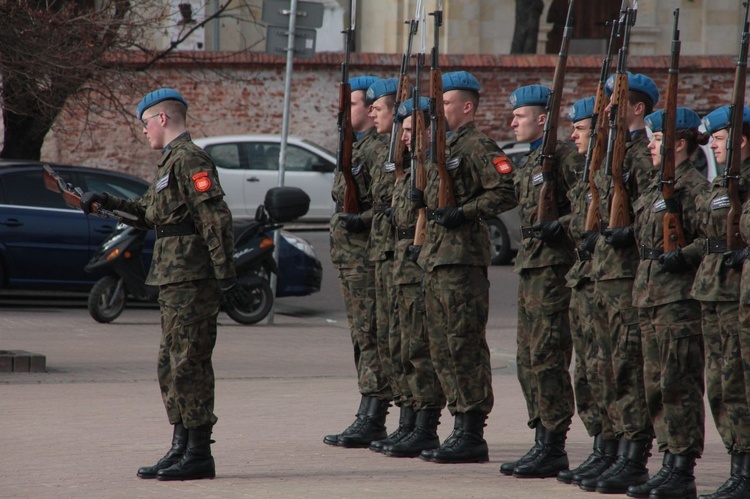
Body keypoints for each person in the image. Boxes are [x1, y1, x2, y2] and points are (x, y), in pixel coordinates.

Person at [80, 88, 245, 481]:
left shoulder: (190, 159)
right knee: (170, 365)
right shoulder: (170, 163)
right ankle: (181, 446)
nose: (143, 132)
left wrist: (226, 276)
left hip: (193, 278)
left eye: (145, 124)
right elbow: (150, 213)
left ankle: (199, 454)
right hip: (173, 278)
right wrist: (105, 200)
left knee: (189, 362)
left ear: (163, 119)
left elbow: (215, 219)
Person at [416, 70, 516, 464]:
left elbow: (506, 190)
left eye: (444, 103)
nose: (437, 110)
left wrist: (465, 211)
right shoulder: (444, 145)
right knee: (442, 346)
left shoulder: (477, 145)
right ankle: (458, 424)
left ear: (467, 106)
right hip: (438, 257)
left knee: (464, 345)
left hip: (462, 259)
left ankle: (472, 431)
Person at [578, 72, 658, 495]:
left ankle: (634, 455)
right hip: (603, 273)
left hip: (627, 274)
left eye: (615, 101)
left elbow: (655, 204)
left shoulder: (644, 150)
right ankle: (608, 448)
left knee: (628, 367)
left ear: (637, 107)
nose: (606, 109)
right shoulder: (609, 148)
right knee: (602, 367)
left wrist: (631, 230)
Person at [625, 108, 708, 499]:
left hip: (677, 300)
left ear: (678, 144)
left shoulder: (693, 189)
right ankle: (667, 459)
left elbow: (715, 237)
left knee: (679, 383)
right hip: (650, 296)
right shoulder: (657, 187)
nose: (651, 146)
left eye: (657, 140)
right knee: (655, 385)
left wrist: (687, 254)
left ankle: (682, 466)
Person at [499, 84, 580, 479]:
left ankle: (554, 444)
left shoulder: (566, 158)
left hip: (554, 270)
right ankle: (540, 438)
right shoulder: (531, 161)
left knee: (548, 358)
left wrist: (558, 226)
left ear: (543, 119)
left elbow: (587, 210)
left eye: (521, 115)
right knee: (528, 361)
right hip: (530, 269)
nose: (513, 121)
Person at [672, 105, 750, 499]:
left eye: (718, 139)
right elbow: (707, 234)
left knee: (739, 382)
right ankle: (738, 466)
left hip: (738, 295)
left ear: (739, 140)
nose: (713, 147)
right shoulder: (721, 184)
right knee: (721, 385)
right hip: (713, 291)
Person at [323, 76, 394, 449]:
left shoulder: (379, 149)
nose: (343, 112)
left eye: (350, 105)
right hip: (350, 257)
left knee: (370, 335)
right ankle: (369, 409)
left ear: (370, 109)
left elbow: (388, 204)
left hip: (367, 256)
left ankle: (374, 414)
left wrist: (360, 221)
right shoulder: (355, 147)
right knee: (361, 336)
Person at [555, 96, 619, 486]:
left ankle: (618, 451)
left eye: (579, 128)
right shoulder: (589, 172)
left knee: (611, 370)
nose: (573, 135)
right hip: (585, 278)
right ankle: (602, 448)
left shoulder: (616, 168)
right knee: (589, 371)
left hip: (610, 281)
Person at [378, 96, 445, 458]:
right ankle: (408, 421)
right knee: (402, 346)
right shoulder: (408, 168)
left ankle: (425, 425)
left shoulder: (431, 165)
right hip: (401, 263)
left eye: (409, 130)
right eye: (402, 129)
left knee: (420, 348)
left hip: (422, 262)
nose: (403, 136)